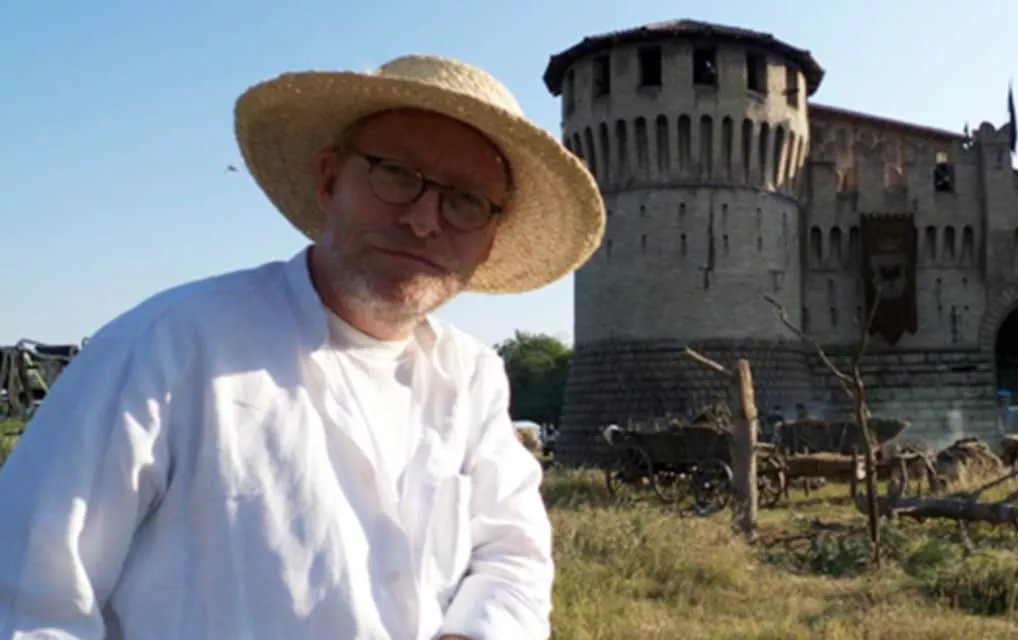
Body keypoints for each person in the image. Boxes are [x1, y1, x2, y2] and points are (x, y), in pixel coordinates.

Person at [0, 54, 604, 639]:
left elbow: (512, 556)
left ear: (490, 240)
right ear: (328, 180)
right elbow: (27, 601)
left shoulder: (472, 378)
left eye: (466, 201)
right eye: (397, 175)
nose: (424, 220)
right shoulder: (165, 349)